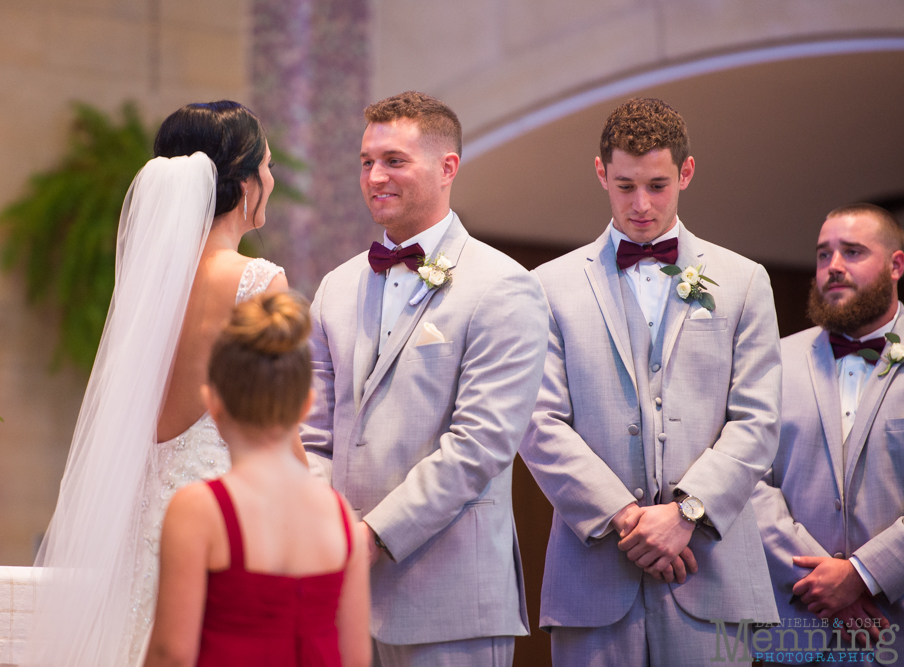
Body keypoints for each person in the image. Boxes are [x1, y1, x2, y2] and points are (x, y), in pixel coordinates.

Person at [26, 101, 293, 667]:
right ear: (245, 182)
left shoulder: (148, 289)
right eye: (268, 166)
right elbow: (276, 428)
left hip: (144, 527)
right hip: (225, 522)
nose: (271, 179)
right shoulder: (257, 280)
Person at [519, 97, 781, 666]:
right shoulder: (547, 286)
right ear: (600, 174)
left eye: (658, 185)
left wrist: (686, 514)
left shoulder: (744, 281)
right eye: (625, 185)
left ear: (686, 173)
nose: (641, 205)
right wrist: (628, 519)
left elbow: (757, 422)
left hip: (712, 574)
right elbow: (537, 422)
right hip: (593, 580)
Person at [300, 91, 548, 665]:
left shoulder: (502, 285)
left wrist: (374, 535)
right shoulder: (336, 287)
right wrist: (328, 527)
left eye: (393, 160)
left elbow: (480, 443)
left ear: (447, 167)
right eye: (366, 162)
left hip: (450, 595)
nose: (375, 176)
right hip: (343, 597)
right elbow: (312, 432)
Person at [144, 292, 371, 667]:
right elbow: (357, 658)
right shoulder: (342, 517)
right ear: (305, 405)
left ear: (213, 403)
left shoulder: (198, 511)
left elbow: (173, 653)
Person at [751, 203, 904, 664]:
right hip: (792, 631)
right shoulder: (771, 360)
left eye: (853, 251)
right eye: (823, 255)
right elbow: (747, 480)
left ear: (897, 265)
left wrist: (863, 574)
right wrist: (820, 579)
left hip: (893, 628)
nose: (833, 267)